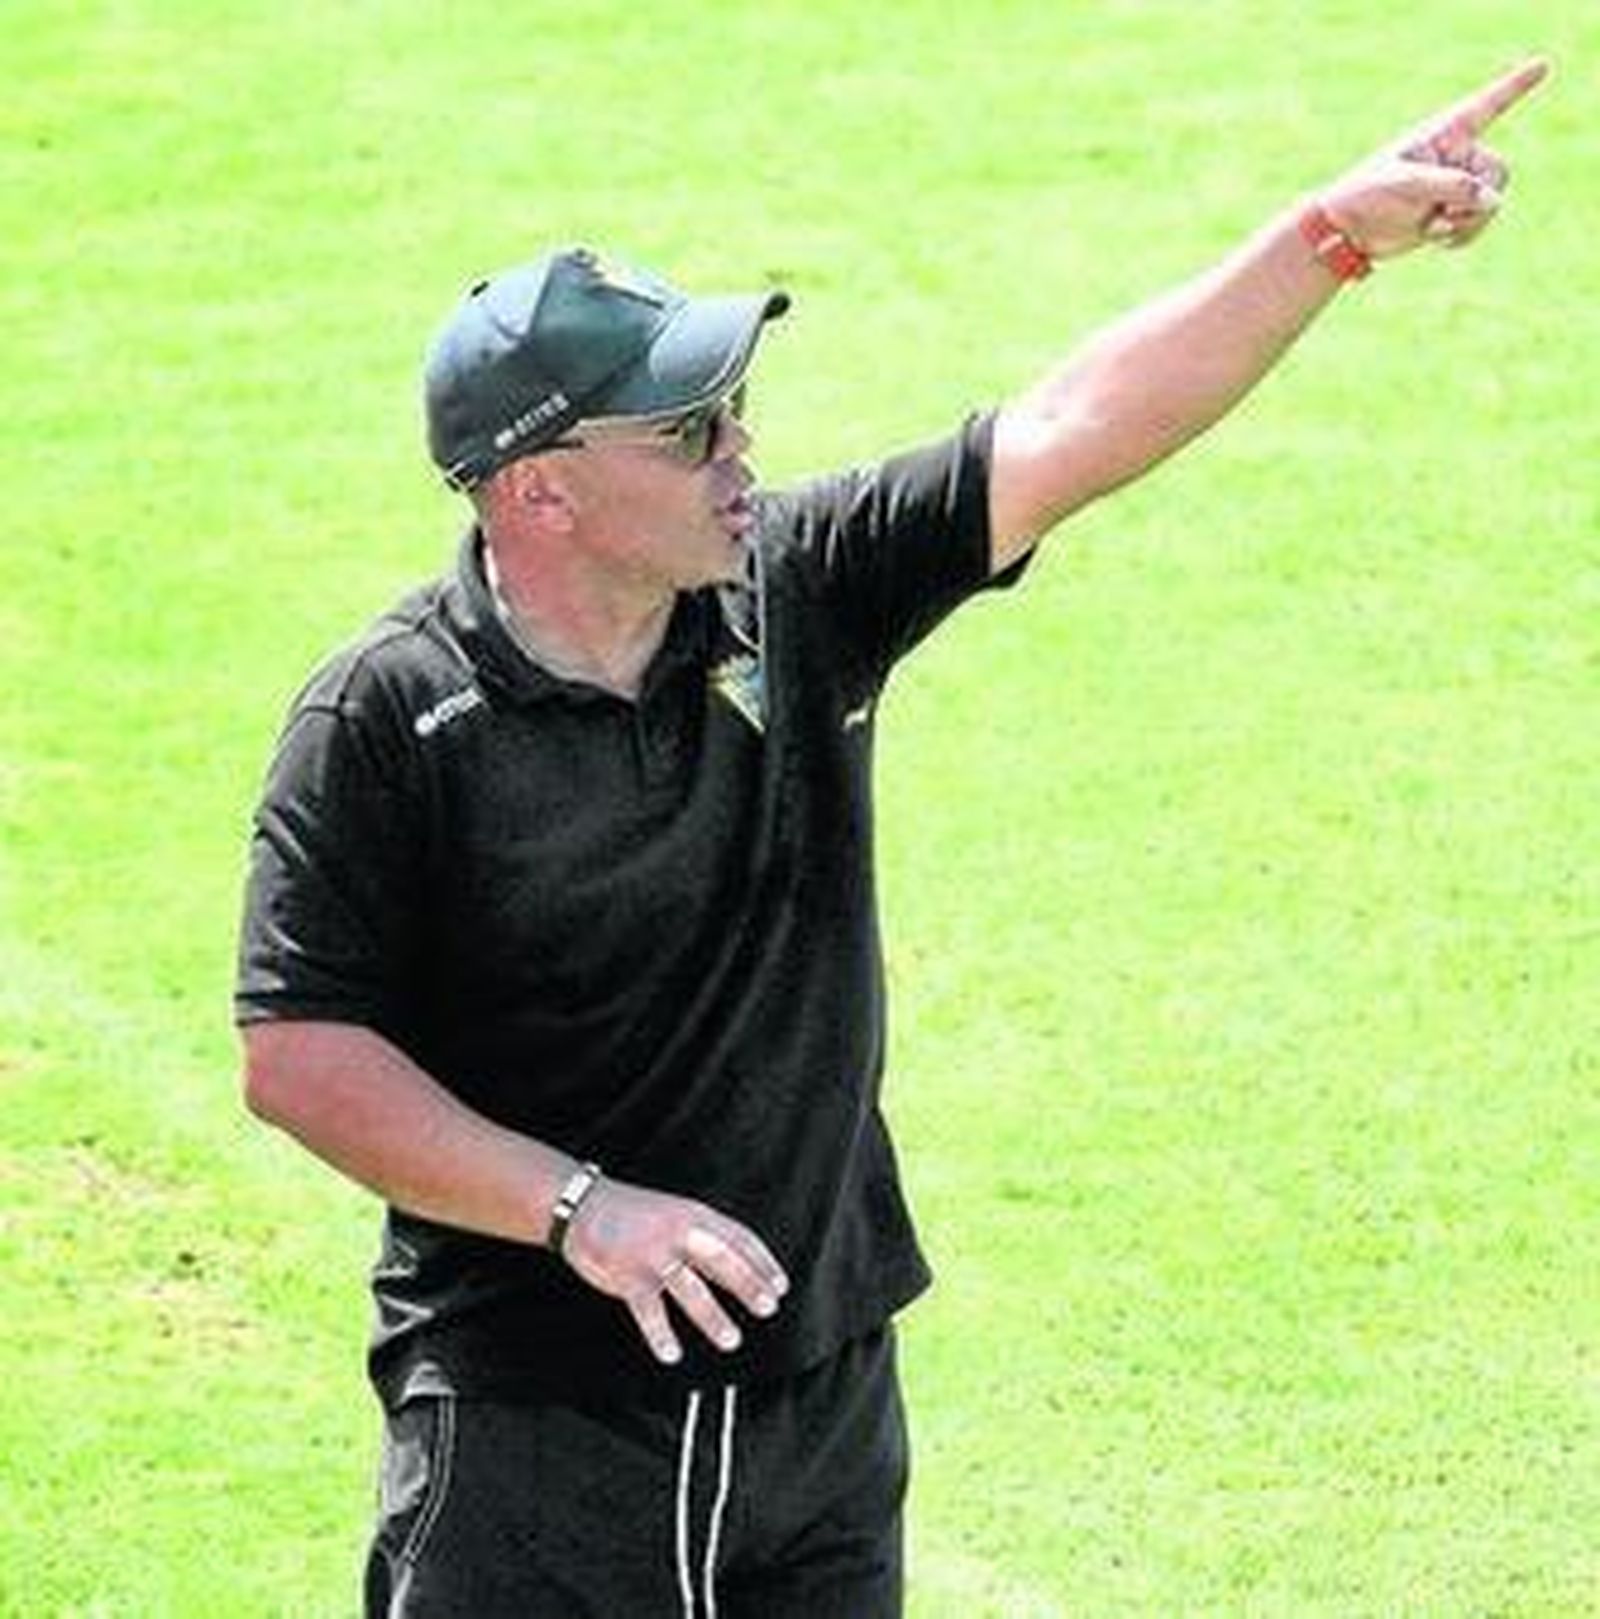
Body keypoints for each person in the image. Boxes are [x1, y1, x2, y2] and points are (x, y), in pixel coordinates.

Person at [236, 59, 1547, 1619]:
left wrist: (1326, 237)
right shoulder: (387, 722)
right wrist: (579, 1207)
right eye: (686, 428)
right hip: (546, 1423)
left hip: (827, 1385)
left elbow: (1073, 426)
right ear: (542, 493)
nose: (740, 448)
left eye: (736, 408)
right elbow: (300, 1052)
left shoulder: (796, 588)